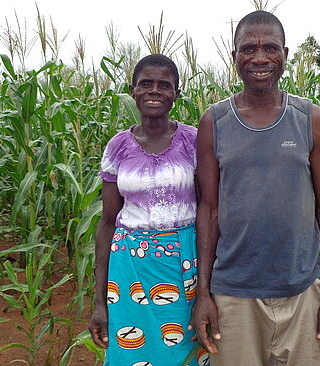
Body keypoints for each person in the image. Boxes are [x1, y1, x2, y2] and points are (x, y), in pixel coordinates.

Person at [191, 10, 320, 366]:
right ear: (234, 58)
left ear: (286, 54)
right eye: (248, 49)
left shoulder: (311, 119)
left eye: (270, 48)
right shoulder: (215, 121)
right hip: (233, 295)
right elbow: (209, 210)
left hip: (303, 293)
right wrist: (204, 294)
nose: (259, 58)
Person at [89, 54, 206, 366]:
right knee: (131, 349)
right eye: (146, 84)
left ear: (177, 94)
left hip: (184, 266)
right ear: (133, 90)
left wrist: (207, 288)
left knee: (186, 350)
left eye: (164, 85)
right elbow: (108, 221)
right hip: (129, 270)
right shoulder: (117, 147)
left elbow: (209, 210)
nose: (155, 91)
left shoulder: (194, 141)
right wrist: (100, 300)